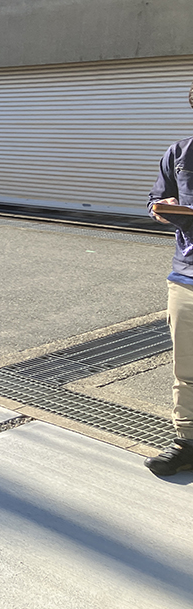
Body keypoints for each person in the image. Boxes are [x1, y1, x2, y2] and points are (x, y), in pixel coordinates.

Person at [145, 85, 193, 476]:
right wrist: (164, 209)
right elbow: (156, 201)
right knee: (187, 368)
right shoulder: (179, 153)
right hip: (186, 277)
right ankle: (187, 441)